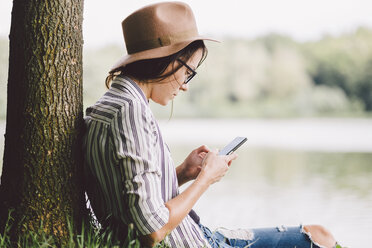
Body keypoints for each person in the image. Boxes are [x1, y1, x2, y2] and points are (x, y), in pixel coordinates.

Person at [83, 1, 340, 247]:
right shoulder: (132, 113)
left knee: (320, 234)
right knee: (319, 241)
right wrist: (206, 178)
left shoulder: (109, 105)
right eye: (187, 72)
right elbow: (153, 231)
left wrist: (183, 172)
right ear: (168, 60)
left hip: (198, 234)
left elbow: (131, 198)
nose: (185, 85)